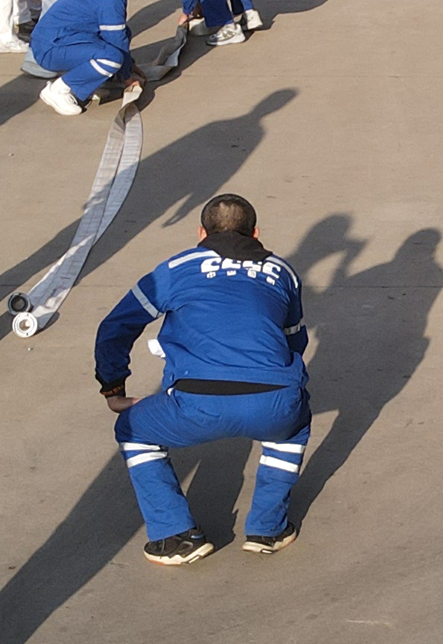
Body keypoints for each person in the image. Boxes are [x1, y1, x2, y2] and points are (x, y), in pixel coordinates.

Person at [95, 193, 312, 564]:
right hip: (273, 402)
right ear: (255, 233)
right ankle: (268, 529)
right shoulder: (283, 272)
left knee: (133, 430)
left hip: (195, 403)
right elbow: (295, 342)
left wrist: (114, 388)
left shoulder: (178, 267)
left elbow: (115, 327)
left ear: (201, 233)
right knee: (293, 426)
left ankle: (175, 536)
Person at [30, 0, 155, 117]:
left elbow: (119, 35)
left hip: (54, 41)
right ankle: (58, 90)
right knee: (112, 58)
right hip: (51, 48)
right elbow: (116, 40)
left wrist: (129, 64)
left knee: (123, 35)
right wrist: (127, 76)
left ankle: (91, 83)